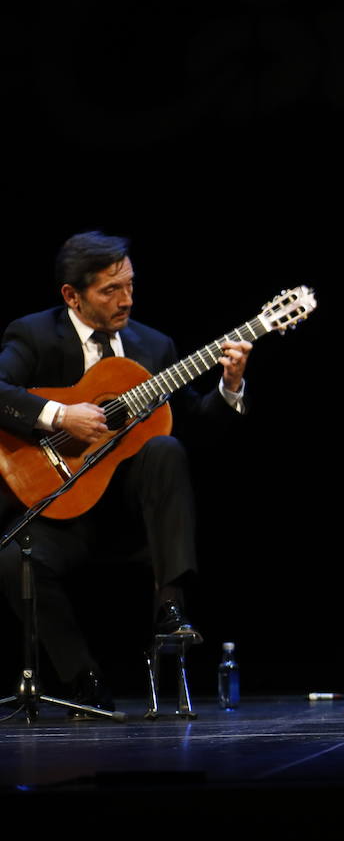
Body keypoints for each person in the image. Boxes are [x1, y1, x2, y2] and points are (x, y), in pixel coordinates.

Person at [0, 231, 251, 712]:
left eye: (130, 285)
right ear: (72, 295)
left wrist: (229, 386)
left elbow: (195, 423)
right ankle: (83, 681)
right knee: (15, 560)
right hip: (65, 513)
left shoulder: (153, 346)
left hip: (134, 518)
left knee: (165, 447)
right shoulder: (32, 334)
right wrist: (59, 415)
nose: (126, 300)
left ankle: (169, 610)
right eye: (110, 290)